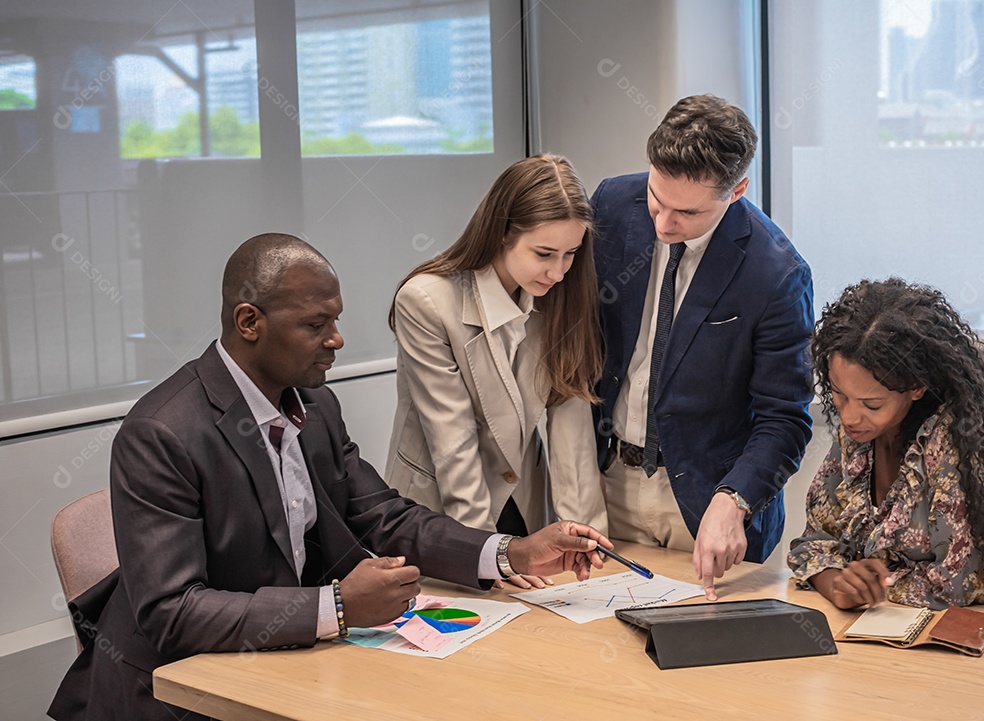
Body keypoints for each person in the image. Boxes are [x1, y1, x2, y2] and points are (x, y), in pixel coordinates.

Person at [48, 234, 611, 721]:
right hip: (177, 691)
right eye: (316, 324)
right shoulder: (162, 433)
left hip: (283, 661)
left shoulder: (313, 404)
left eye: (336, 320)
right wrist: (335, 606)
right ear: (249, 323)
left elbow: (381, 514)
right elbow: (172, 612)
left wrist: (511, 552)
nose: (337, 339)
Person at [591, 94, 814, 599]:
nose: (664, 225)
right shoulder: (610, 203)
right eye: (657, 199)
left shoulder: (776, 272)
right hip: (608, 484)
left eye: (687, 212)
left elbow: (786, 416)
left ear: (737, 191)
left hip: (707, 505)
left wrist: (734, 500)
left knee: (709, 664)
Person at [788, 278, 984, 613]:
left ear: (915, 387)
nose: (850, 417)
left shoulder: (953, 442)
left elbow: (951, 584)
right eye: (839, 395)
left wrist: (866, 587)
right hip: (888, 625)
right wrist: (838, 585)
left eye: (871, 404)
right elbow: (813, 544)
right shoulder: (858, 437)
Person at [385, 154, 608, 589]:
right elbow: (453, 443)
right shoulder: (427, 301)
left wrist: (588, 542)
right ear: (503, 232)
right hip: (441, 513)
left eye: (570, 254)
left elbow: (571, 427)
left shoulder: (559, 296)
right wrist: (487, 558)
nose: (559, 271)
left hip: (520, 502)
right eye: (544, 253)